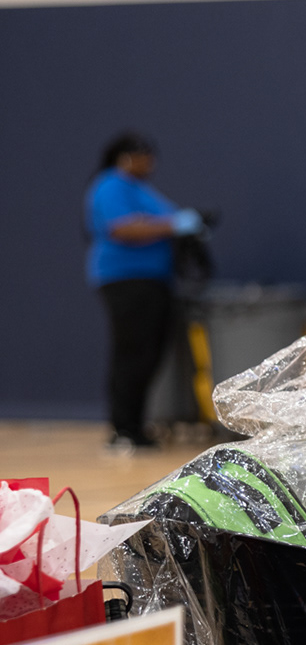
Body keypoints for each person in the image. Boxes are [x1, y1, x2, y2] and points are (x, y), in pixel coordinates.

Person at [86, 132, 203, 452]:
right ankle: (123, 429)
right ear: (125, 157)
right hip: (126, 280)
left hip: (154, 280)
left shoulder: (139, 188)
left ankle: (135, 425)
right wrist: (174, 224)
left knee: (149, 353)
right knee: (133, 353)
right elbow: (122, 227)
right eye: (144, 155)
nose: (150, 162)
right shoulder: (111, 185)